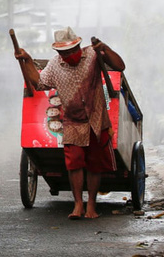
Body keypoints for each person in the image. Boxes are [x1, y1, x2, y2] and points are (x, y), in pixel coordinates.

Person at [14, 26, 125, 219]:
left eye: (73, 50)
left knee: (94, 165)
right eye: (64, 52)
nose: (70, 55)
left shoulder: (92, 54)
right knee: (74, 164)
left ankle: (91, 205)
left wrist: (105, 48)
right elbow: (39, 83)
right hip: (73, 122)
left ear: (79, 46)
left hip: (97, 119)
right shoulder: (55, 65)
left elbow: (120, 66)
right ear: (58, 52)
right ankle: (78, 205)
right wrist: (27, 60)